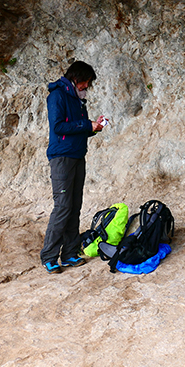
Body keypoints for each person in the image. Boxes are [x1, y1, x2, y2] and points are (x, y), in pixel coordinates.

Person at [41, 61, 106, 274]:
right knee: (63, 206)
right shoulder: (57, 96)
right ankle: (49, 256)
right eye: (86, 82)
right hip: (61, 157)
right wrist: (87, 125)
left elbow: (77, 129)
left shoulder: (78, 99)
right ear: (77, 78)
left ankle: (69, 253)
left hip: (78, 156)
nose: (87, 86)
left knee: (75, 205)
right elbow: (58, 126)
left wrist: (94, 127)